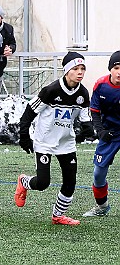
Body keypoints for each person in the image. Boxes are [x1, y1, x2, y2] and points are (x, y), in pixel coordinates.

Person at [14, 52, 94, 225]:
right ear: (66, 71)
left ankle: (58, 215)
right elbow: (29, 112)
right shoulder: (50, 91)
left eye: (83, 68)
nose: (80, 72)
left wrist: (88, 129)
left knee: (70, 182)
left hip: (66, 143)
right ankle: (24, 181)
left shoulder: (83, 93)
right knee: (43, 183)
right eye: (75, 68)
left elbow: (85, 116)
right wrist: (24, 135)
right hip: (45, 143)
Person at [82, 51, 120, 217]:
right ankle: (102, 207)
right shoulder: (100, 85)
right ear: (110, 69)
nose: (119, 72)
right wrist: (100, 131)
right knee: (98, 173)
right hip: (110, 133)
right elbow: (95, 111)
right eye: (116, 67)